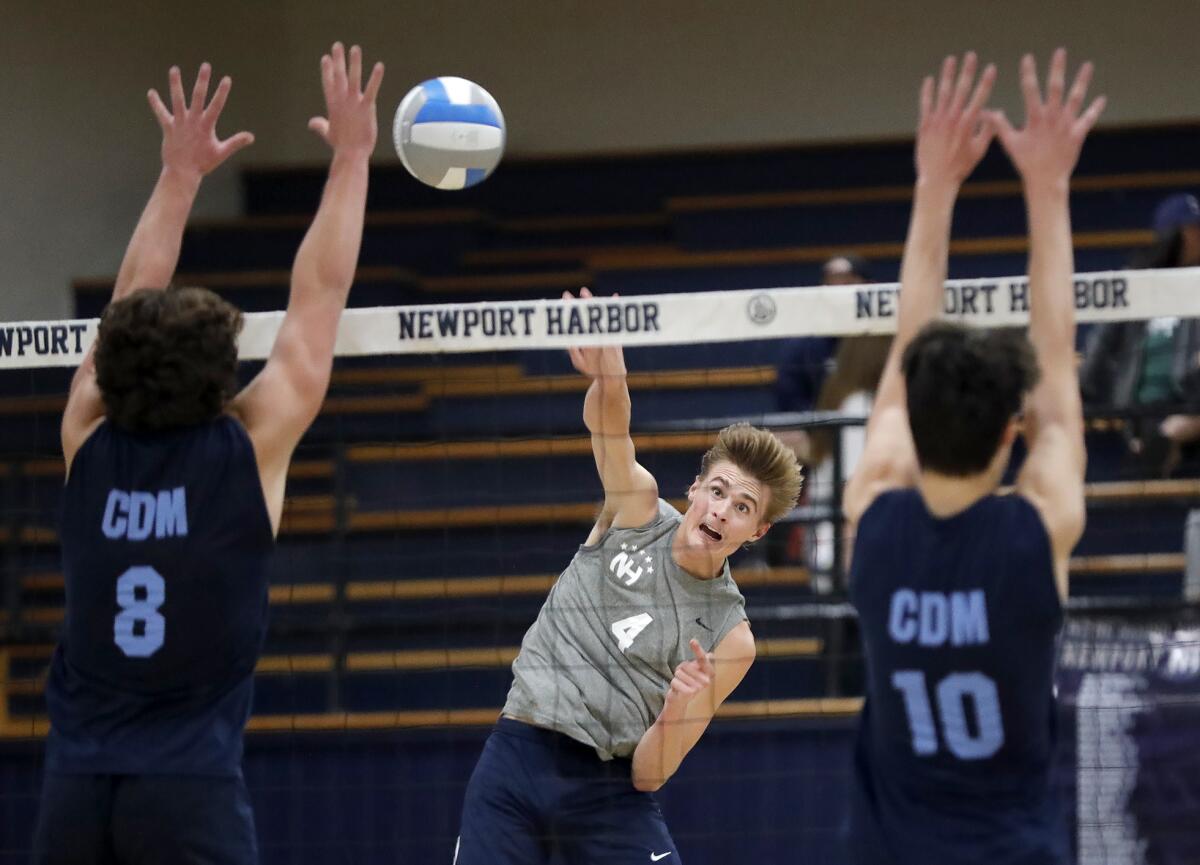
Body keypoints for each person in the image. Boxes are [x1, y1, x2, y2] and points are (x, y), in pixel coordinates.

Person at [33, 43, 384, 864]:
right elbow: (319, 296)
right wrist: (353, 159)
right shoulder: (249, 445)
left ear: (111, 365)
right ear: (222, 376)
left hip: (76, 785)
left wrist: (179, 178)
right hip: (188, 790)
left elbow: (128, 300)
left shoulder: (84, 437)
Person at [842, 49, 1103, 864]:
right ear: (1010, 434)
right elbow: (1057, 364)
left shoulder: (873, 516)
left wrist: (935, 183)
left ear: (911, 425)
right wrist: (1049, 184)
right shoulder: (1037, 529)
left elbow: (903, 364)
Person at [453, 288, 802, 864]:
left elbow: (649, 775)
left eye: (741, 507)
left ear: (757, 532)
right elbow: (611, 433)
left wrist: (676, 710)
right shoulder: (637, 509)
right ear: (694, 489)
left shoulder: (731, 639)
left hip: (608, 791)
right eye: (717, 491)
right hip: (520, 753)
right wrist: (610, 379)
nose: (720, 510)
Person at [1080, 191, 1200, 474]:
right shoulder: (1136, 285)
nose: (1197, 237)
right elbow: (1100, 346)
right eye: (1191, 229)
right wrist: (1084, 392)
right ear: (1172, 235)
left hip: (1191, 399)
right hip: (1141, 411)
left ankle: (1170, 436)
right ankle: (1154, 445)